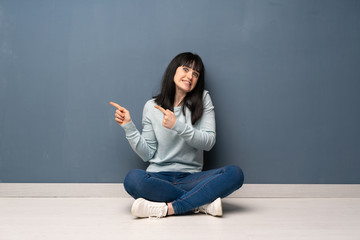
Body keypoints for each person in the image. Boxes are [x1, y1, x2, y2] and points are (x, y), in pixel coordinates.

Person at [110, 52, 244, 218]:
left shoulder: (203, 99)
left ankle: (168, 208)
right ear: (173, 70)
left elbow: (208, 142)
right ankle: (200, 203)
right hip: (158, 178)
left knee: (235, 174)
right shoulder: (151, 107)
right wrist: (128, 126)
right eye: (186, 69)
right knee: (132, 179)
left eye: (195, 74)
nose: (190, 76)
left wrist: (177, 126)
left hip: (192, 179)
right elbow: (148, 154)